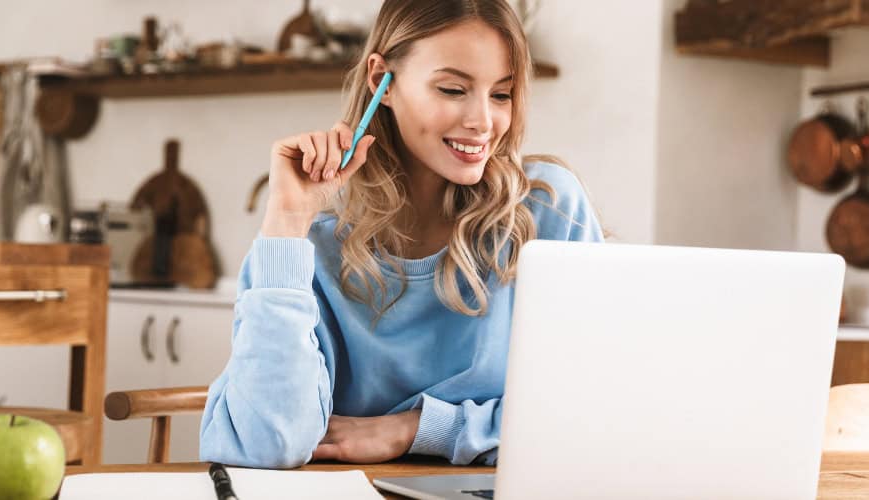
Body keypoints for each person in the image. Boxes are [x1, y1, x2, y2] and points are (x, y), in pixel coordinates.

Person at [199, 0, 604, 469]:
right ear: (380, 81)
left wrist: (415, 428)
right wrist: (287, 221)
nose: (483, 121)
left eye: (501, 94)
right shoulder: (308, 245)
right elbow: (264, 444)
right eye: (453, 89)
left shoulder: (546, 210)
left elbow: (589, 412)